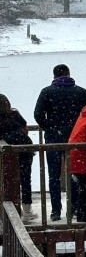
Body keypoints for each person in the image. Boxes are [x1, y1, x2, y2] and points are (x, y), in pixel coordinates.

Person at [34, 64, 86, 221]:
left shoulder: (46, 92)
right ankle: (73, 208)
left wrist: (48, 127)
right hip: (75, 138)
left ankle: (55, 211)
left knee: (54, 175)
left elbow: (38, 114)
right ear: (69, 74)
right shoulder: (81, 92)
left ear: (54, 76)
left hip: (53, 138)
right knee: (74, 173)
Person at [0, 94, 37, 223]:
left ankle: (9, 210)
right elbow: (25, 128)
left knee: (6, 180)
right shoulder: (14, 114)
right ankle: (27, 210)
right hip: (24, 147)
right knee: (26, 179)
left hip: (7, 151)